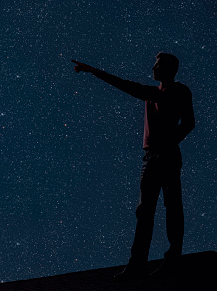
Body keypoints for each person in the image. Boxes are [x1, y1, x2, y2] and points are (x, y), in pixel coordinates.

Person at [72, 53, 195, 280]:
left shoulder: (180, 91)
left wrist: (169, 141)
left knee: (172, 207)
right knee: (144, 212)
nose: (153, 68)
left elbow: (189, 123)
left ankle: (172, 261)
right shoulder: (151, 93)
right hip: (149, 159)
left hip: (167, 156)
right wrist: (95, 71)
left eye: (157, 65)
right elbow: (126, 85)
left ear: (168, 69)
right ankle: (137, 265)